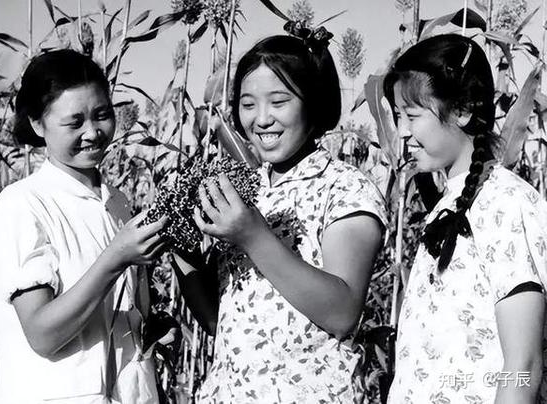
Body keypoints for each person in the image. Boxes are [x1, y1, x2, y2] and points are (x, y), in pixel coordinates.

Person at [173, 31, 387, 403]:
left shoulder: (345, 188)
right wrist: (181, 246)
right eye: (248, 104)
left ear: (313, 102)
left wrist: (252, 235)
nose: (261, 119)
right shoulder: (248, 189)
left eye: (279, 102)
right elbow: (219, 322)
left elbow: (342, 314)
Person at [0, 49, 167, 404]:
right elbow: (43, 334)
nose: (93, 132)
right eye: (74, 123)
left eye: (102, 115)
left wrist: (147, 328)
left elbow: (113, 312)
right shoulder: (21, 205)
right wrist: (116, 257)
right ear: (38, 124)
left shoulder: (118, 202)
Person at [384, 34, 547, 404]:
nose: (402, 132)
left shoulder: (504, 203)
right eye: (398, 116)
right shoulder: (448, 205)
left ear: (461, 110)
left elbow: (523, 363)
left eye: (412, 116)